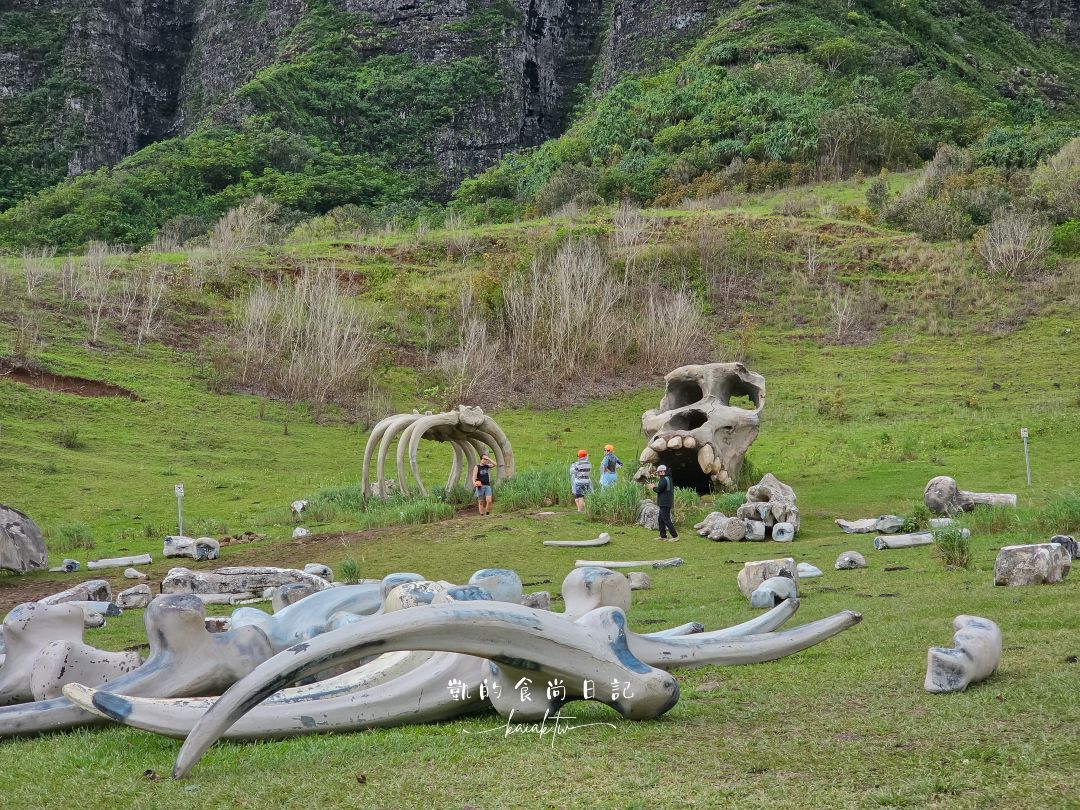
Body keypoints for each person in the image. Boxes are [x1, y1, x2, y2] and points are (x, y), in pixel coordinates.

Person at [648, 464, 678, 541]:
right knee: (660, 519)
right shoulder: (668, 478)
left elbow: (659, 489)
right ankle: (663, 536)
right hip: (665, 502)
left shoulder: (665, 479)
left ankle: (675, 536)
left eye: (659, 472)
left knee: (666, 519)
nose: (658, 474)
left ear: (662, 472)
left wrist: (653, 487)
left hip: (665, 503)